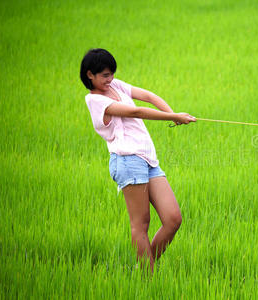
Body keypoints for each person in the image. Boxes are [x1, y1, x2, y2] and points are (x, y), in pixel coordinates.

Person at [80, 48, 195, 273]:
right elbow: (137, 112)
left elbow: (149, 97)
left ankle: (142, 269)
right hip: (127, 161)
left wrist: (174, 114)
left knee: (173, 219)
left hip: (148, 160)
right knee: (141, 225)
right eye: (104, 75)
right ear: (89, 75)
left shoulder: (115, 86)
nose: (110, 79)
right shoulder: (94, 100)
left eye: (111, 73)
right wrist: (173, 117)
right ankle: (146, 279)